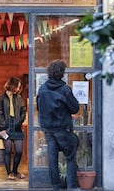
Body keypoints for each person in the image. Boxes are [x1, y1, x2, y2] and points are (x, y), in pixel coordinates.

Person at [36, 60, 80, 191]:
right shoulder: (64, 89)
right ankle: (72, 187)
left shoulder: (42, 89)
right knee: (70, 156)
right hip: (63, 129)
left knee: (52, 159)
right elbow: (75, 108)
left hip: (49, 130)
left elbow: (39, 108)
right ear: (62, 74)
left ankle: (56, 187)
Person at [0, 76, 27, 180]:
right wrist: (2, 127)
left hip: (17, 126)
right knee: (7, 150)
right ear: (12, 86)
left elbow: (23, 110)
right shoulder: (1, 98)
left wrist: (20, 120)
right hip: (6, 126)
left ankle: (15, 170)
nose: (19, 88)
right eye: (17, 86)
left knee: (19, 150)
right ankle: (9, 173)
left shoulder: (19, 98)